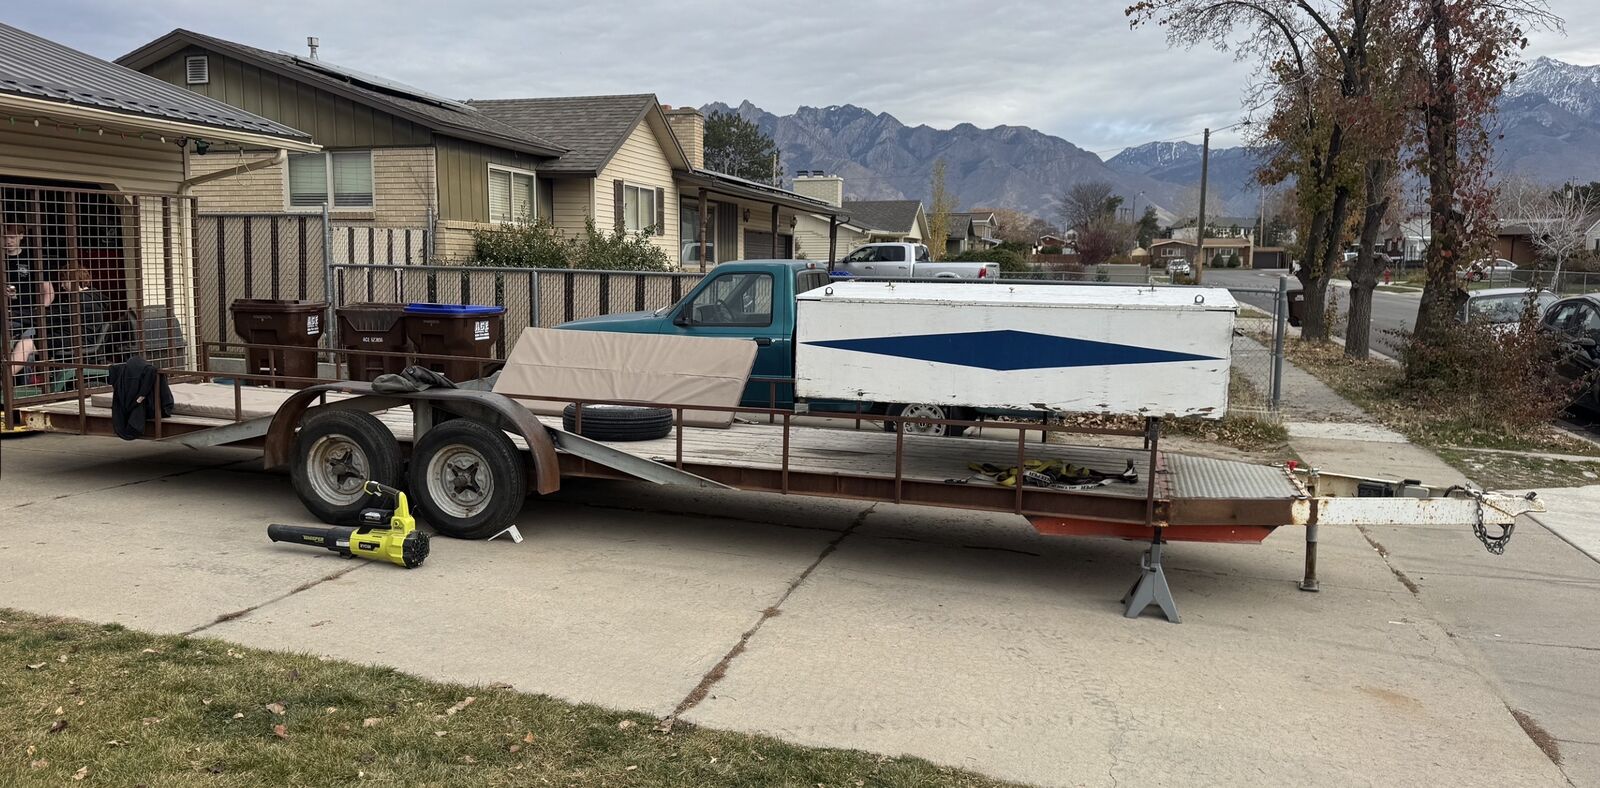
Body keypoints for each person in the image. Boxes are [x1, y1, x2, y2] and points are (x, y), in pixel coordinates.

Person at [4, 224, 55, 377]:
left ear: (21, 236)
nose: (8, 241)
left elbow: (49, 291)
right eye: (4, 237)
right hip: (6, 313)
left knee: (25, 342)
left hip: (28, 315)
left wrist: (40, 311)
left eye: (12, 237)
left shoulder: (32, 259)